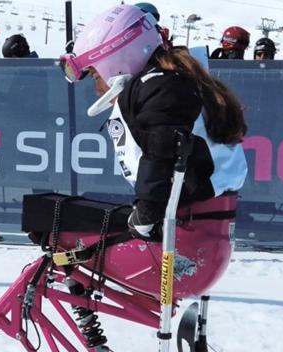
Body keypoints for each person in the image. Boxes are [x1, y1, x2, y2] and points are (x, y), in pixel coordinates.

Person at [59, 4, 247, 238]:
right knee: (51, 221)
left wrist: (148, 210)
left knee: (55, 225)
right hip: (191, 220)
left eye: (97, 76)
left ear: (118, 61)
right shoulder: (169, 80)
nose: (98, 90)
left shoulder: (160, 87)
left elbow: (164, 147)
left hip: (183, 230)